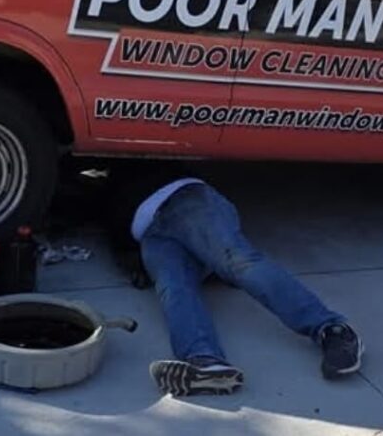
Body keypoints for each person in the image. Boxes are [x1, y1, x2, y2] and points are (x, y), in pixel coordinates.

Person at [105, 164, 363, 397]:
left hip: (184, 200)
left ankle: (332, 329)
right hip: (152, 235)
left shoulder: (134, 157)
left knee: (239, 263)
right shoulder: (102, 193)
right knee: (174, 288)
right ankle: (207, 364)